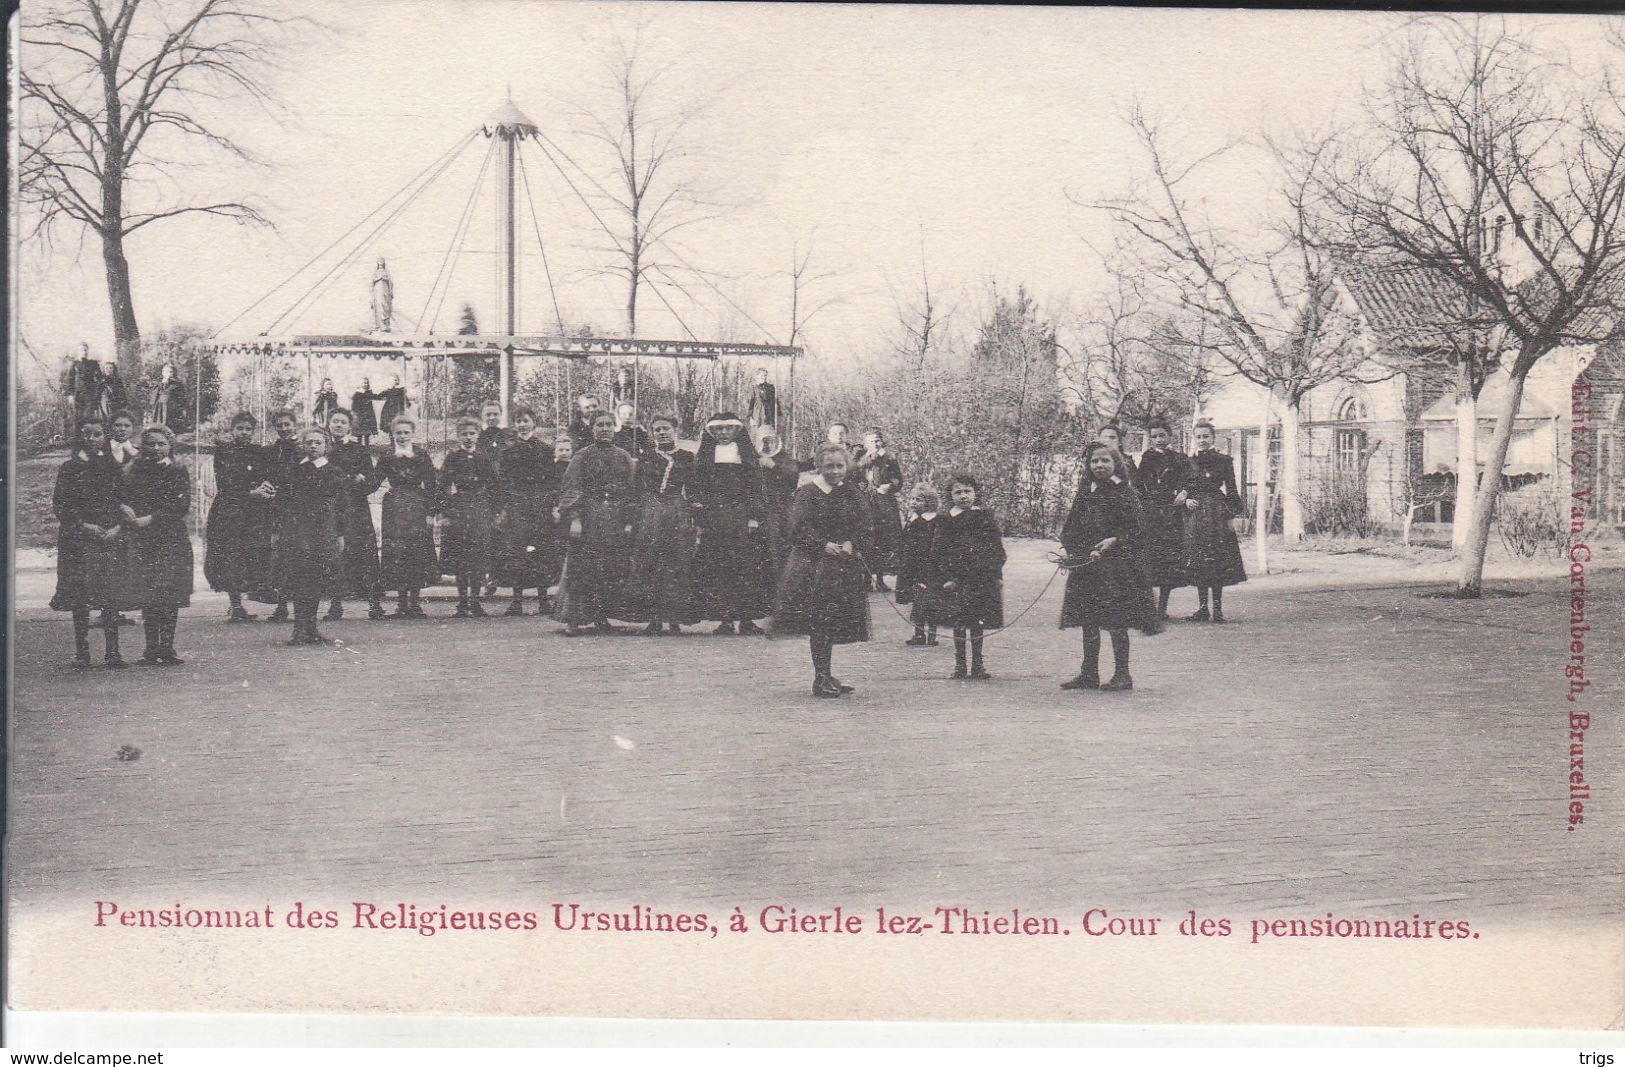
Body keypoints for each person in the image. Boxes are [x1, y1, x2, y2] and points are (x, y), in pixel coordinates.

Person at [770, 442, 872, 697]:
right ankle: (820, 677)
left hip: (842, 566)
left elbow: (865, 525)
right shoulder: (807, 493)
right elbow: (795, 529)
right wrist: (822, 545)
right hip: (813, 567)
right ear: (818, 466)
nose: (835, 471)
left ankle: (827, 673)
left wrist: (852, 543)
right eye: (829, 466)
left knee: (833, 622)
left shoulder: (852, 493)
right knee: (819, 621)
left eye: (840, 466)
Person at [1058, 443, 1158, 693]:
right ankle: (1089, 673)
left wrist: (1114, 540)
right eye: (1094, 462)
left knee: (1116, 620)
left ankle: (1122, 674)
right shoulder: (1085, 491)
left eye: (1105, 461)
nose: (1099, 466)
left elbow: (1138, 530)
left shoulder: (1124, 492)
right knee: (1088, 620)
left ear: (1115, 464)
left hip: (1115, 568)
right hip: (1087, 567)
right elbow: (1071, 526)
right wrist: (1069, 549)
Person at [51, 417, 133, 668]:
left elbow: (125, 500)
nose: (92, 439)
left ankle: (113, 652)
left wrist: (118, 527)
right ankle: (82, 651)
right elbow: (61, 505)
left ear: (104, 437)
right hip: (79, 539)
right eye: (87, 434)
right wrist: (84, 525)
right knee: (80, 595)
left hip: (109, 538)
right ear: (80, 438)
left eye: (97, 434)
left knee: (110, 594)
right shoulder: (69, 467)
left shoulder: (114, 467)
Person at [554, 411, 636, 636]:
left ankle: (601, 616)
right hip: (589, 517)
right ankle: (573, 619)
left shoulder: (623, 457)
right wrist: (576, 519)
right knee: (581, 569)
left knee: (608, 568)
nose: (604, 429)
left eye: (609, 425)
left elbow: (632, 491)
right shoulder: (582, 456)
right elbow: (571, 489)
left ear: (615, 428)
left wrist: (629, 521)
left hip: (615, 519)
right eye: (599, 425)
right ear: (592, 429)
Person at [691, 412, 773, 635]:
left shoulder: (746, 455)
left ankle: (746, 619)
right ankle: (725, 619)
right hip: (715, 519)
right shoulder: (705, 456)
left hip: (741, 517)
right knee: (719, 569)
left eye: (728, 429)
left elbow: (756, 488)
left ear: (737, 430)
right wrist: (701, 519)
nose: (724, 433)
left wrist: (754, 517)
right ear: (712, 432)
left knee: (746, 569)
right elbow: (698, 489)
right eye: (719, 430)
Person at [120, 425, 193, 666]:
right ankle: (151, 647)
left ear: (170, 445)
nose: (156, 448)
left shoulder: (177, 470)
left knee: (170, 592)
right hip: (143, 539)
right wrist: (125, 508)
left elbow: (180, 505)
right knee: (149, 592)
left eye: (161, 443)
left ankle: (167, 647)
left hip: (170, 538)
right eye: (151, 443)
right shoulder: (133, 470)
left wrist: (151, 518)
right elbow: (122, 496)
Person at [267, 426, 347, 646]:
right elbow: (280, 503)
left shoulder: (334, 473)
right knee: (298, 578)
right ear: (302, 445)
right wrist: (277, 530)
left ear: (326, 446)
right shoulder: (293, 471)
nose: (313, 446)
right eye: (309, 442)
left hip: (322, 533)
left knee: (316, 579)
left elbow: (341, 507)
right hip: (296, 532)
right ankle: (298, 628)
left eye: (318, 442)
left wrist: (340, 534)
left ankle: (311, 628)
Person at [624, 414, 699, 635]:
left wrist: (694, 514)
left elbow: (694, 488)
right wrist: (633, 519)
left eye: (666, 428)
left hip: (676, 512)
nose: (662, 433)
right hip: (651, 513)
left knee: (676, 562)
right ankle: (654, 618)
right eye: (657, 430)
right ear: (652, 433)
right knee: (650, 563)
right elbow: (636, 490)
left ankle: (674, 618)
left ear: (675, 430)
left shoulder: (686, 457)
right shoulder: (646, 457)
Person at [926, 474, 1006, 681]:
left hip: (981, 579)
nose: (963, 496)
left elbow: (996, 548)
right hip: (956, 581)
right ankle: (960, 665)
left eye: (967, 491)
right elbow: (938, 551)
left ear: (976, 493)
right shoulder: (945, 520)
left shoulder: (985, 517)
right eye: (958, 492)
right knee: (959, 623)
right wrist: (946, 577)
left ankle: (978, 664)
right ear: (950, 495)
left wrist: (997, 574)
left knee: (978, 622)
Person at [205, 412, 276, 622]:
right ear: (232, 430)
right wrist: (250, 493)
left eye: (248, 429)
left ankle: (254, 595)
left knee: (251, 554)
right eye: (240, 429)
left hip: (253, 513)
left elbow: (265, 474)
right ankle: (235, 604)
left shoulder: (257, 452)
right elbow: (226, 483)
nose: (244, 433)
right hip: (230, 510)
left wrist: (266, 486)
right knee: (230, 556)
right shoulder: (224, 451)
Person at [1182, 420, 1248, 622]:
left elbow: (1232, 489)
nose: (1202, 440)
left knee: (1217, 559)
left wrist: (1234, 514)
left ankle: (1217, 609)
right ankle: (1203, 608)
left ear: (1212, 437)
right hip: (1196, 515)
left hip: (1217, 513)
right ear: (1195, 438)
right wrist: (1186, 500)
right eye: (1198, 437)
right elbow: (1183, 487)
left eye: (1205, 436)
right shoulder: (1188, 462)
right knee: (1200, 560)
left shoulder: (1224, 460)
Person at [324, 409, 385, 621]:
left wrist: (360, 481)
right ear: (329, 425)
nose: (338, 425)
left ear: (350, 426)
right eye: (335, 422)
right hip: (332, 509)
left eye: (343, 422)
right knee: (336, 555)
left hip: (355, 509)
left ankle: (374, 604)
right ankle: (335, 605)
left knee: (365, 554)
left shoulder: (358, 450)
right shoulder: (324, 449)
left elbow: (371, 481)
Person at [376, 415, 439, 619]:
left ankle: (415, 603)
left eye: (406, 433)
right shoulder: (387, 456)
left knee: (416, 552)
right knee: (397, 553)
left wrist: (431, 512)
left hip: (416, 506)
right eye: (398, 433)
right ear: (392, 434)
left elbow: (431, 485)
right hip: (394, 508)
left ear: (412, 433)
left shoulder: (421, 455)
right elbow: (374, 481)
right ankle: (401, 604)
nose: (402, 436)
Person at [492, 408, 553, 615]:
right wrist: (505, 507)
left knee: (541, 551)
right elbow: (503, 482)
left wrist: (550, 505)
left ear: (534, 423)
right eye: (518, 421)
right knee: (517, 551)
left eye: (526, 420)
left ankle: (543, 600)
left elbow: (552, 481)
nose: (522, 424)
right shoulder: (508, 452)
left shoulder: (545, 450)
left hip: (539, 503)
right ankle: (516, 601)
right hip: (517, 503)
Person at [438, 416, 499, 618]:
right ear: (458, 436)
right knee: (461, 557)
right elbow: (443, 486)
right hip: (459, 509)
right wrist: (445, 513)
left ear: (478, 435)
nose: (468, 437)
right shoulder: (453, 457)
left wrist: (494, 511)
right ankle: (462, 602)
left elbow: (494, 485)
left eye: (472, 433)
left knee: (478, 556)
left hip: (480, 509)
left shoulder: (484, 457)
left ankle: (476, 601)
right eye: (464, 434)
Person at [1136, 418, 1194, 620]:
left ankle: (1162, 608)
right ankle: (1149, 608)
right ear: (1150, 439)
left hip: (1172, 513)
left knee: (1169, 560)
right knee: (1150, 560)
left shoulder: (1179, 458)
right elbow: (1138, 485)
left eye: (1162, 435)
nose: (1159, 440)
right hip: (1152, 514)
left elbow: (1191, 480)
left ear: (1170, 436)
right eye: (1154, 436)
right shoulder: (1147, 458)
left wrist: (1185, 492)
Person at [259, 409, 303, 623]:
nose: (284, 429)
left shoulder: (303, 448)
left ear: (295, 425)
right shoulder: (271, 451)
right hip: (276, 508)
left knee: (299, 557)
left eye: (287, 424)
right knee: (280, 556)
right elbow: (264, 475)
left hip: (298, 508)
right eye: (280, 425)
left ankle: (302, 608)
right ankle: (282, 605)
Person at [852, 427, 903, 591]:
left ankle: (880, 578)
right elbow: (855, 473)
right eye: (872, 441)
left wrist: (890, 485)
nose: (875, 443)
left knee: (883, 538)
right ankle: (866, 579)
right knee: (866, 538)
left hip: (884, 502)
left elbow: (899, 479)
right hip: (865, 501)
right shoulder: (861, 458)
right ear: (866, 443)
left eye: (878, 440)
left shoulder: (890, 458)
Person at [896, 483, 941, 647]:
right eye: (912, 499)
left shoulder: (934, 521)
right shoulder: (912, 519)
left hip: (928, 566)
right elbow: (905, 541)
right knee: (916, 601)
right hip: (912, 566)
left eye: (919, 500)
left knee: (930, 601)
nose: (914, 503)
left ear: (929, 502)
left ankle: (932, 634)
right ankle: (918, 633)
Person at [754, 425, 800, 576]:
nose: (767, 444)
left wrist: (774, 466)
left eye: (770, 440)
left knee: (779, 548)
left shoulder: (785, 458)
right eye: (763, 440)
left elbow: (793, 480)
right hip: (759, 509)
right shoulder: (752, 458)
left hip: (780, 509)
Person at [64, 343, 103, 432]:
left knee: (88, 417)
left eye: (85, 350)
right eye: (82, 350)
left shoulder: (93, 364)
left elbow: (100, 380)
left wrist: (97, 393)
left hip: (90, 395)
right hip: (78, 396)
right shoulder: (74, 365)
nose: (84, 352)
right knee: (78, 418)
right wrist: (70, 395)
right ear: (78, 352)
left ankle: (88, 439)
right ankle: (78, 441)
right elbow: (70, 380)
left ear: (88, 351)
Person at [147, 363, 190, 433]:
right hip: (160, 409)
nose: (169, 374)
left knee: (171, 428)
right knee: (159, 427)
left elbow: (182, 399)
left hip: (172, 410)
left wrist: (181, 409)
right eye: (167, 372)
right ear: (163, 373)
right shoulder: (158, 384)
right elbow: (153, 398)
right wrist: (163, 384)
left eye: (171, 372)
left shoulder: (178, 384)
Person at [1097, 422, 1137, 486]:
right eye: (1104, 437)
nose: (1108, 441)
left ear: (1120, 442)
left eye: (1112, 438)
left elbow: (1137, 489)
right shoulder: (1094, 461)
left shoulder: (1128, 463)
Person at [351, 377, 379, 444]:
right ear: (360, 384)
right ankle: (359, 446)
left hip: (368, 416)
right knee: (359, 434)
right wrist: (356, 414)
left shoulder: (369, 393)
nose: (366, 384)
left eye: (367, 383)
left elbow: (376, 397)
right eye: (364, 383)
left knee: (367, 434)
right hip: (360, 416)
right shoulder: (357, 394)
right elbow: (354, 406)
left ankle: (366, 447)